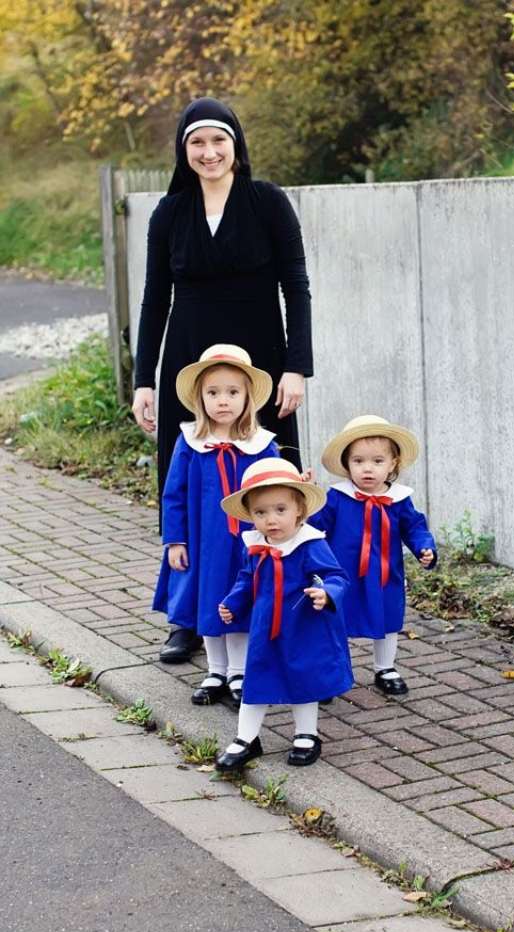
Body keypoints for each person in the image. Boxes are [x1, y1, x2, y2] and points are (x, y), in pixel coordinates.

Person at [132, 96, 313, 664]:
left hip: (260, 359)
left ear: (236, 146)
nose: (208, 153)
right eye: (196, 144)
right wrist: (143, 380)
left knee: (267, 480)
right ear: (183, 153)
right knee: (187, 485)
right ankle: (187, 618)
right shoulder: (169, 213)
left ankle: (277, 602)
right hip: (189, 363)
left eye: (218, 142)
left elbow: (296, 286)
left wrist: (297, 366)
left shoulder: (267, 202)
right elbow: (154, 298)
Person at [152, 344, 280, 704]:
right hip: (203, 543)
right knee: (209, 602)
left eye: (232, 392)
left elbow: (275, 487)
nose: (223, 401)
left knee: (238, 602)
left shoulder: (261, 444)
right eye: (213, 392)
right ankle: (215, 671)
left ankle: (239, 673)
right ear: (200, 397)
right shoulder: (191, 441)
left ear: (247, 397)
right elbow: (173, 494)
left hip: (246, 543)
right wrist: (175, 540)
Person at [215, 458, 353, 771]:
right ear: (251, 515)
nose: (271, 520)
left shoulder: (309, 543)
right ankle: (246, 738)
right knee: (257, 678)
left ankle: (306, 734)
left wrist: (326, 593)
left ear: (299, 510)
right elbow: (246, 577)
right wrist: (234, 603)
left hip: (303, 625)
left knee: (303, 678)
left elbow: (336, 576)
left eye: (280, 510)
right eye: (261, 513)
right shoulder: (255, 544)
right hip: (267, 627)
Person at [310, 415, 437, 696]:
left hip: (384, 573)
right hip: (343, 574)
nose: (368, 469)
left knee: (388, 618)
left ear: (393, 464)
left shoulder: (399, 499)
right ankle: (333, 672)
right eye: (358, 461)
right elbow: (314, 526)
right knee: (337, 619)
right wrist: (306, 499)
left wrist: (424, 548)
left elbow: (414, 527)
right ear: (346, 464)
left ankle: (385, 667)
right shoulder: (337, 497)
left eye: (377, 461)